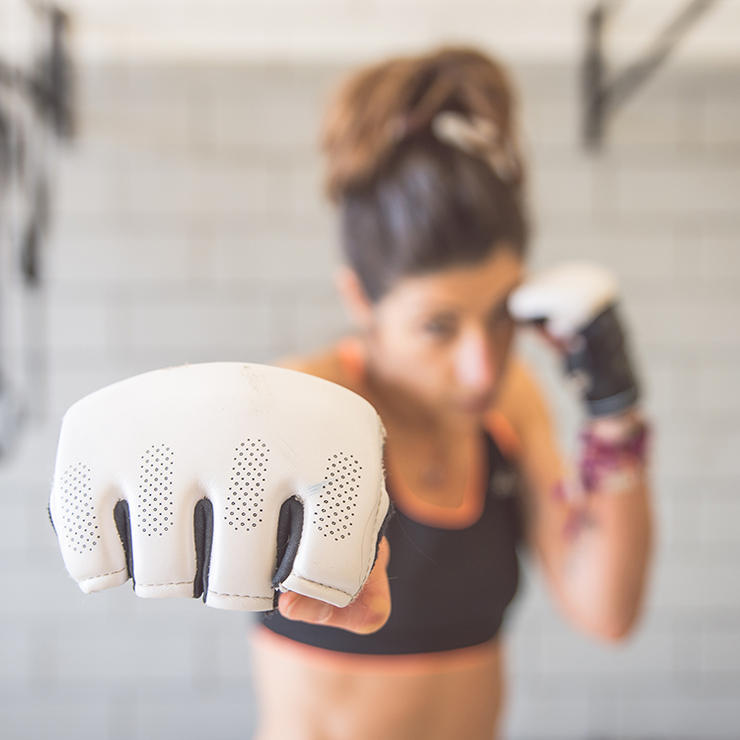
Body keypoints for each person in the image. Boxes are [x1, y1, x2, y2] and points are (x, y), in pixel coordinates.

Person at [249, 45, 654, 740]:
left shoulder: (510, 405)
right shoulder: (304, 405)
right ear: (360, 299)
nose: (480, 368)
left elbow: (606, 613)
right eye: (438, 327)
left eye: (501, 317)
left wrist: (615, 412)